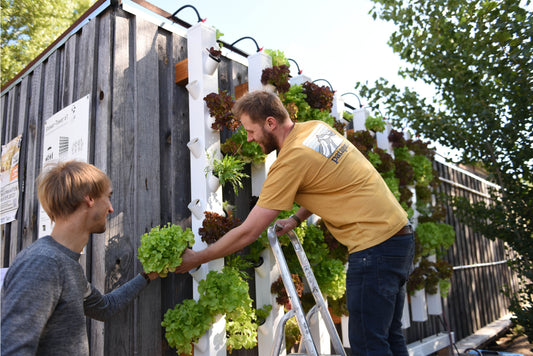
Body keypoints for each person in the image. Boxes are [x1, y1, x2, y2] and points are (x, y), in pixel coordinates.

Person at [177, 90, 415, 356]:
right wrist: (296, 217)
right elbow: (328, 180)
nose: (248, 138)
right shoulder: (315, 129)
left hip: (375, 249)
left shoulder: (290, 160)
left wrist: (198, 258)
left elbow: (248, 232)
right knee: (389, 338)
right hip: (399, 237)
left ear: (270, 123)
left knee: (369, 345)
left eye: (250, 131)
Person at [1, 160, 159, 356]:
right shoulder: (43, 263)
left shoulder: (66, 264)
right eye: (108, 197)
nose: (110, 208)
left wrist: (147, 276)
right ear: (89, 198)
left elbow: (104, 308)